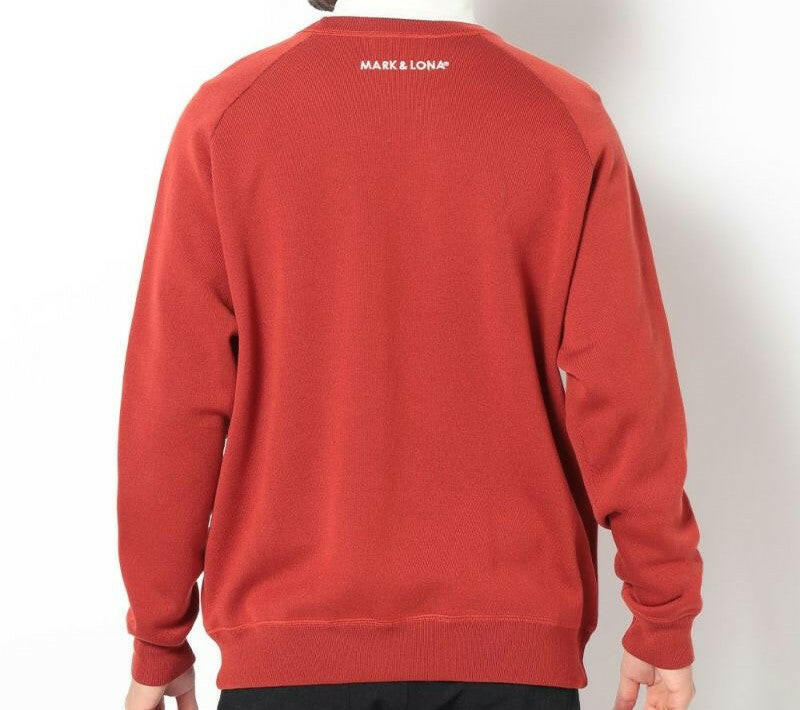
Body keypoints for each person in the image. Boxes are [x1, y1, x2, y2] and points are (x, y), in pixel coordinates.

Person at [118, 0, 703, 708]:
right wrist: (661, 614)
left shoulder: (229, 116)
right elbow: (627, 394)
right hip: (511, 650)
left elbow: (173, 402)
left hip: (290, 654)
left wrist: (159, 634)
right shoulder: (564, 118)